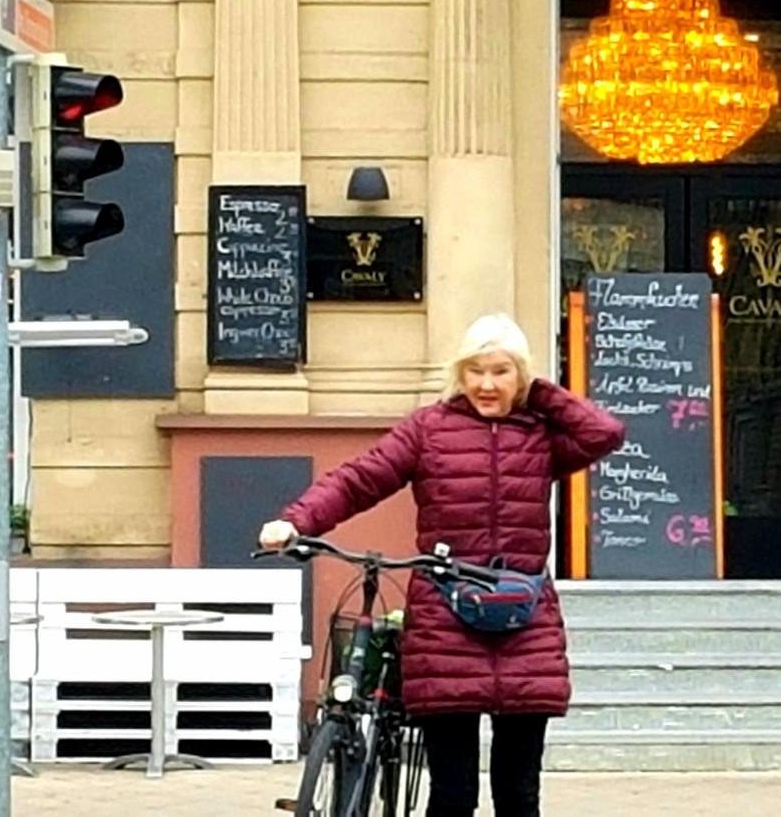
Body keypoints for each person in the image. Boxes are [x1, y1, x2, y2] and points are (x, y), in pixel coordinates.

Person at [259, 313, 624, 817]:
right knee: (452, 796)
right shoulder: (429, 429)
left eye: (501, 371)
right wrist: (296, 522)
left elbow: (604, 433)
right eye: (475, 370)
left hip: (525, 623)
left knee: (519, 796)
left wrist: (540, 394)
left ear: (521, 375)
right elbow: (359, 480)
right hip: (444, 622)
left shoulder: (538, 434)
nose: (486, 384)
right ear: (460, 372)